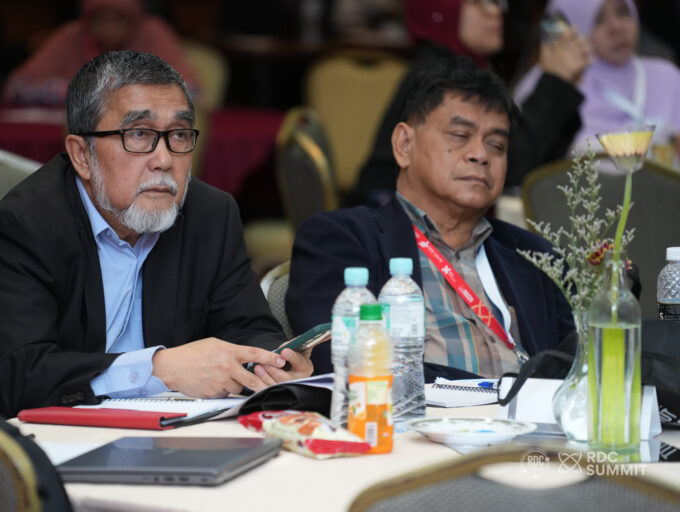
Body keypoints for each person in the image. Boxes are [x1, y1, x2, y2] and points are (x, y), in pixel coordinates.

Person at [0, 50, 313, 417]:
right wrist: (158, 369)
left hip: (169, 438)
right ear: (82, 155)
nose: (164, 159)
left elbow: (248, 329)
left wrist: (272, 362)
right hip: (16, 444)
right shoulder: (16, 230)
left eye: (179, 134)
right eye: (138, 134)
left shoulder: (210, 215)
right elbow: (17, 377)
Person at [286, 58, 575, 379]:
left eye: (497, 144)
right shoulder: (341, 240)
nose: (481, 155)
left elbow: (577, 366)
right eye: (460, 135)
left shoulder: (534, 256)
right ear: (404, 144)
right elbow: (343, 363)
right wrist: (490, 392)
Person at [350, 0, 591, 206]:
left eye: (496, 1)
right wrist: (555, 82)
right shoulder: (438, 76)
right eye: (478, 1)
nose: (495, 11)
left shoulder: (467, 70)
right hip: (395, 223)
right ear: (441, 9)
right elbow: (509, 168)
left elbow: (530, 164)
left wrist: (562, 83)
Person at [515, 0, 680, 164]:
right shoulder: (550, 86)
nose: (617, 27)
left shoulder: (666, 78)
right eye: (598, 20)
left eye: (622, 12)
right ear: (570, 28)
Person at [2, 0, 197, 106]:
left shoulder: (153, 33)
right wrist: (77, 91)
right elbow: (16, 87)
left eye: (117, 20)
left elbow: (191, 90)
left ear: (133, 18)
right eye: (100, 19)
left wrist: (129, 92)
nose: (108, 28)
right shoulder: (72, 35)